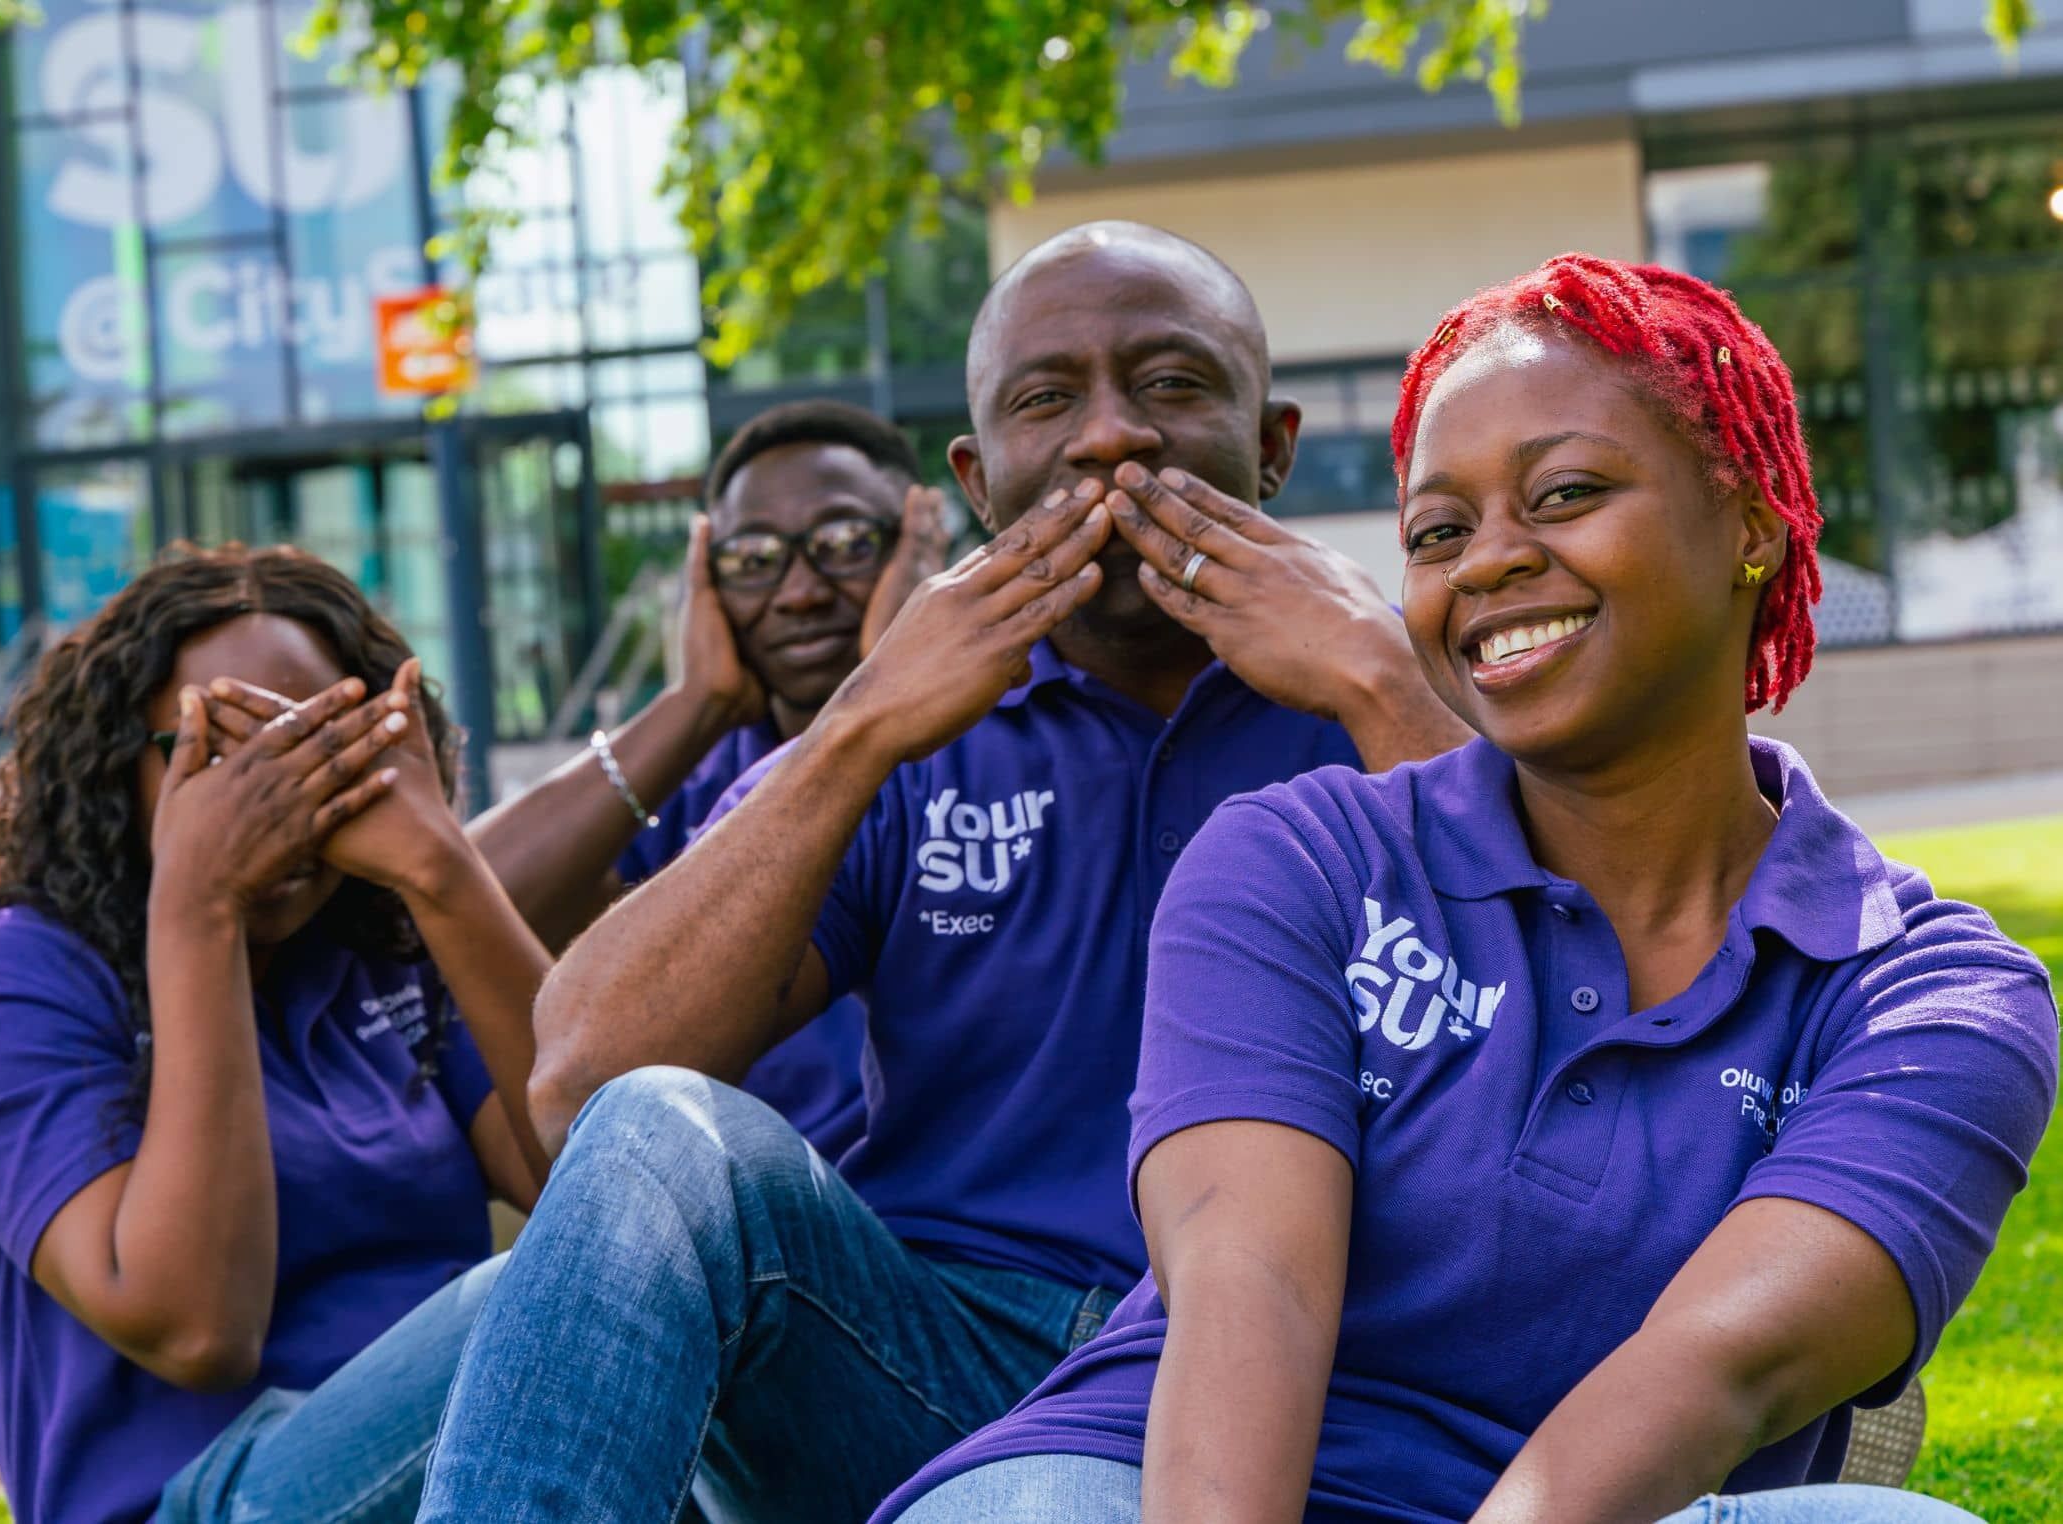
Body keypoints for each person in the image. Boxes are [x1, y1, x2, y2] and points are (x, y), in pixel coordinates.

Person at [876, 256, 2059, 1524]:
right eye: (1439, 532)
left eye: (1566, 493)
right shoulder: (1294, 859)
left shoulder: (1934, 996)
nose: (1489, 562)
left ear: (1753, 526)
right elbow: (1248, 1290)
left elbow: (1717, 1373)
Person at [415, 221, 1473, 1523]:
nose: (1107, 439)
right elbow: (582, 1073)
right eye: (1046, 402)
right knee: (654, 1138)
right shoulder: (913, 730)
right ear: (979, 479)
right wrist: (860, 723)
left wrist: (1382, 690)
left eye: (1172, 384)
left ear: (1273, 445)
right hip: (928, 1356)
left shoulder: (1400, 688)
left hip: (1293, 1373)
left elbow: (1592, 1064)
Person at [0, 545, 553, 1524]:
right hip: (207, 1497)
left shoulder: (364, 953)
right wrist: (200, 909)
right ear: (120, 768)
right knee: (581, 1287)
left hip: (460, 1458)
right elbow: (195, 1330)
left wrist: (443, 869)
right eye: (221, 751)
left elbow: (580, 1161)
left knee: (681, 1180)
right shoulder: (0, 991)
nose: (280, 796)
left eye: (325, 745)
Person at [470, 400, 948, 1160]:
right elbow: (456, 906)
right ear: (705, 575)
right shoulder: (698, 783)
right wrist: (695, 704)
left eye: (846, 544)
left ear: (922, 545)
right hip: (729, 1224)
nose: (800, 592)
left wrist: (890, 676)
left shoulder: (994, 747)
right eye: (754, 559)